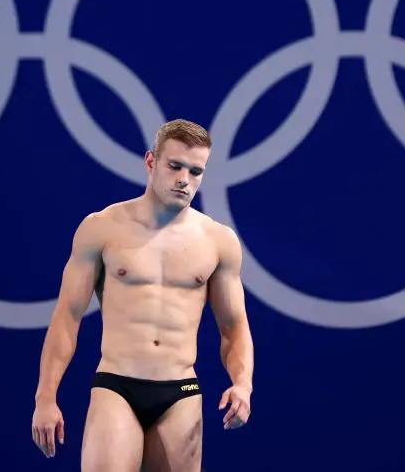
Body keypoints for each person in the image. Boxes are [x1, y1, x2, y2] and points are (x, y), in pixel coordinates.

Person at [31, 119, 255, 471]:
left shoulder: (219, 241)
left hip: (181, 392)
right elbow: (67, 318)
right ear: (151, 162)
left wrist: (243, 384)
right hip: (116, 387)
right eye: (175, 166)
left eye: (196, 171)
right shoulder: (101, 228)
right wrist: (45, 397)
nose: (184, 179)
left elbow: (234, 328)